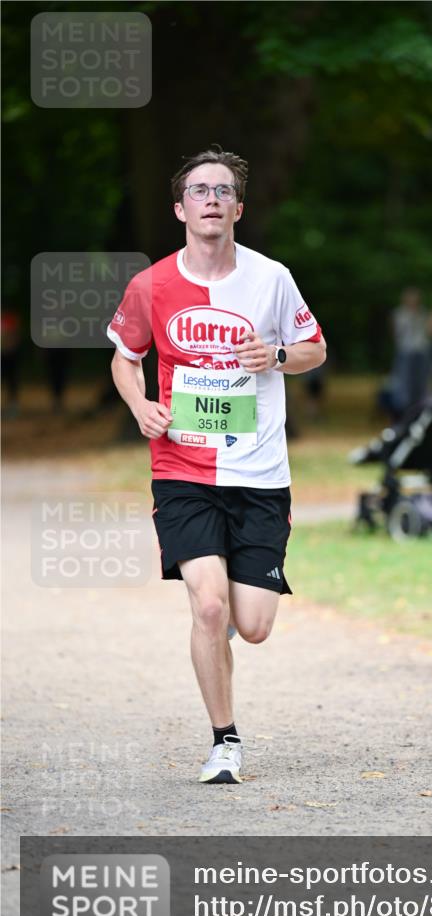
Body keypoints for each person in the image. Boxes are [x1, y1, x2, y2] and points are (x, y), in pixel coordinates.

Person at [107, 146, 326, 784]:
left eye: (222, 190)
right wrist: (139, 404)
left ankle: (222, 632)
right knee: (207, 606)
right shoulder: (151, 284)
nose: (211, 199)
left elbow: (314, 348)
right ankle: (224, 742)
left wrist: (279, 356)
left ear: (238, 207)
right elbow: (125, 355)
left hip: (260, 474)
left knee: (251, 625)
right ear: (180, 208)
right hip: (183, 469)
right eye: (199, 190)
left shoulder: (272, 279)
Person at [387, 287, 431, 417]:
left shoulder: (424, 314)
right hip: (405, 350)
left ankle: (419, 406)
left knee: (421, 381)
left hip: (422, 350)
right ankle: (402, 409)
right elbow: (394, 333)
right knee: (403, 380)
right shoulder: (399, 314)